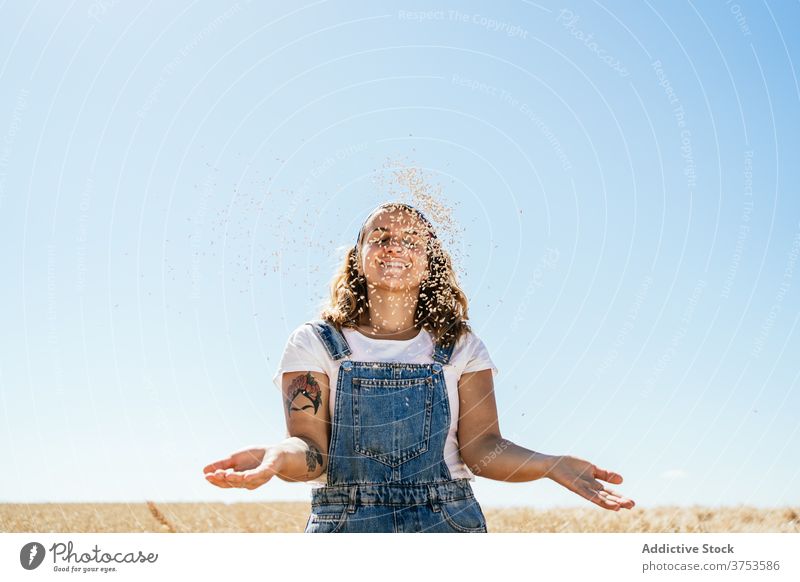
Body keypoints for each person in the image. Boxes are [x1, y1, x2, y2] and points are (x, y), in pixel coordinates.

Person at [203, 202, 635, 532]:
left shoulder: (461, 346)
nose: (396, 245)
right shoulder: (315, 342)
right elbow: (313, 456)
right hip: (345, 529)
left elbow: (482, 451)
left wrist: (551, 464)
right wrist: (279, 457)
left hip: (447, 523)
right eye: (381, 235)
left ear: (430, 261)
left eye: (413, 239)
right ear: (358, 256)